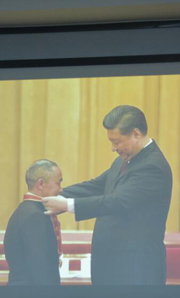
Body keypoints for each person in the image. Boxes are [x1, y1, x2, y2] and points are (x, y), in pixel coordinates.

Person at [43, 105, 172, 285]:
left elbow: (118, 202)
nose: (113, 148)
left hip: (136, 269)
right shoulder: (125, 160)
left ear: (136, 134)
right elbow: (97, 186)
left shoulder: (152, 166)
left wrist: (67, 205)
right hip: (112, 266)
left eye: (117, 142)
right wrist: (56, 194)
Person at [4, 159, 64, 285]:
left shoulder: (26, 210)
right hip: (31, 293)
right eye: (58, 183)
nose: (61, 189)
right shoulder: (35, 217)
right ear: (41, 184)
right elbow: (40, 269)